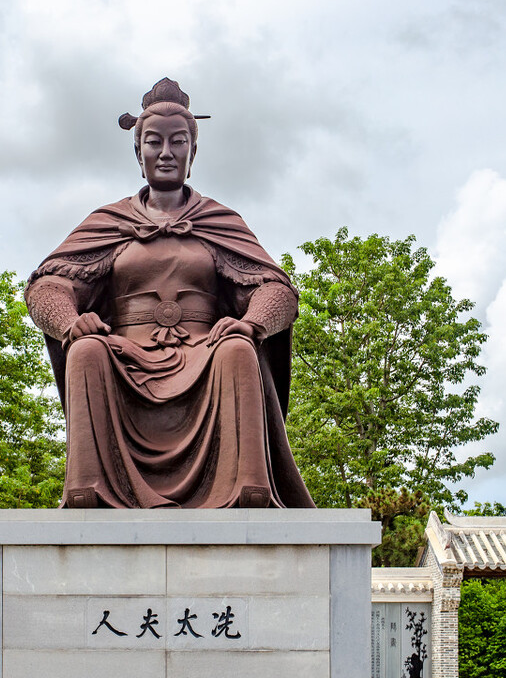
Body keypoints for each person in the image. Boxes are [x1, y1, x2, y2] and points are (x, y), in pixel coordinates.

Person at [25, 78, 314, 509]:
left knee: (238, 350)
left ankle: (246, 488)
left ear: (192, 154)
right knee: (86, 352)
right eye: (154, 142)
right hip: (126, 353)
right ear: (138, 154)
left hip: (205, 351)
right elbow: (48, 284)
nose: (165, 152)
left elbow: (276, 289)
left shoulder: (220, 221)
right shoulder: (108, 222)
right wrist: (70, 322)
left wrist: (251, 323)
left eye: (178, 142)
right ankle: (92, 489)